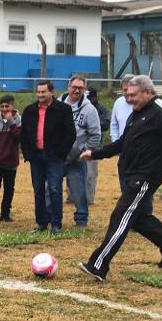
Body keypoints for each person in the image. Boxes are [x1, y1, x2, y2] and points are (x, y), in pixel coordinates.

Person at [77, 75, 162, 282]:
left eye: (133, 95)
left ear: (148, 92)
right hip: (132, 173)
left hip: (146, 175)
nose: (129, 99)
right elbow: (122, 143)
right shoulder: (136, 114)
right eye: (127, 94)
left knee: (121, 215)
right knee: (139, 218)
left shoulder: (160, 109)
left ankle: (98, 265)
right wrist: (95, 153)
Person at [19, 80, 76, 234]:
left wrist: (60, 153)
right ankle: (41, 223)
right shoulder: (29, 111)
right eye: (38, 92)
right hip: (36, 157)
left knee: (55, 189)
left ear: (51, 92)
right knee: (38, 191)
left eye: (43, 92)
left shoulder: (63, 110)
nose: (40, 95)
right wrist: (28, 154)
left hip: (54, 158)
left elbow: (70, 134)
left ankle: (56, 224)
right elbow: (23, 135)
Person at [61, 75, 101, 228]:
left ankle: (81, 220)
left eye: (80, 88)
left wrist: (83, 152)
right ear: (68, 87)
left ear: (84, 89)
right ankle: (52, 218)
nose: (77, 90)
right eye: (74, 87)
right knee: (50, 188)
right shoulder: (57, 105)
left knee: (79, 191)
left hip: (76, 158)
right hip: (58, 156)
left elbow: (95, 135)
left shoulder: (89, 109)